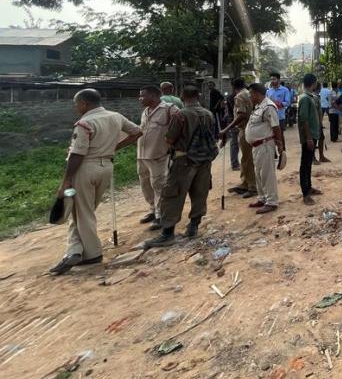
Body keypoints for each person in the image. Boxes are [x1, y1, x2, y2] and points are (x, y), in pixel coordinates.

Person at [49, 89, 142, 276]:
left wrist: (66, 181)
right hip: (106, 167)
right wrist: (113, 147)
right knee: (83, 210)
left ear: (84, 103)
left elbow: (77, 154)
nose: (76, 107)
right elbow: (137, 131)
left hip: (85, 169)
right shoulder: (115, 116)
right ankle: (75, 251)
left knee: (83, 212)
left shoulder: (85, 123)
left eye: (76, 104)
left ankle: (92, 254)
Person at [144, 86, 217, 247]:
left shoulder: (181, 115)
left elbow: (170, 138)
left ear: (182, 96)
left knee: (172, 195)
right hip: (204, 161)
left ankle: (167, 233)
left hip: (183, 161)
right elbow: (213, 135)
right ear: (198, 96)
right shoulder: (209, 114)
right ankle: (193, 226)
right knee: (200, 193)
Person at [136, 85, 178, 230]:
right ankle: (152, 209)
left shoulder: (169, 109)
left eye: (143, 95)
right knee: (145, 184)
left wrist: (172, 145)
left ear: (153, 96)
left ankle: (161, 216)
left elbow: (180, 126)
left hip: (158, 155)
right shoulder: (145, 111)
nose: (140, 98)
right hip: (142, 155)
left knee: (159, 185)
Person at [244, 83, 284, 214]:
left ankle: (271, 202)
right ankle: (262, 198)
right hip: (256, 146)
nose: (250, 96)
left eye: (251, 94)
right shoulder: (258, 107)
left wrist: (279, 145)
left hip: (265, 145)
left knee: (267, 174)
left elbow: (276, 127)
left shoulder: (269, 107)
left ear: (256, 94)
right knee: (258, 173)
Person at [219, 78, 256, 199]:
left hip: (245, 128)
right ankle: (245, 183)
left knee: (247, 159)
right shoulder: (249, 93)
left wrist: (226, 129)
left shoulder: (239, 96)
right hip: (251, 127)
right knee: (246, 158)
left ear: (233, 87)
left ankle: (252, 186)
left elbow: (241, 115)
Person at [297, 74, 324, 204]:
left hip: (313, 135)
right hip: (309, 136)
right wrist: (308, 138)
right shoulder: (305, 99)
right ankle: (305, 194)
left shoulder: (311, 97)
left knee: (308, 164)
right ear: (313, 83)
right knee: (305, 164)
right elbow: (304, 120)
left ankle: (309, 187)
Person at [266, 73, 292, 151]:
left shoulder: (285, 90)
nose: (272, 81)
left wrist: (276, 103)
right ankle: (273, 153)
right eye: (271, 79)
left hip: (280, 116)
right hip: (270, 117)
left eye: (274, 79)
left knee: (280, 135)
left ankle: (282, 152)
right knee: (270, 135)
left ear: (279, 80)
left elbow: (287, 102)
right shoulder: (269, 91)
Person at [224, 87, 240, 170]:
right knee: (236, 143)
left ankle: (235, 163)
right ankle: (235, 163)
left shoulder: (230, 97)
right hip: (236, 122)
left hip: (232, 122)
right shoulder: (238, 97)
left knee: (234, 144)